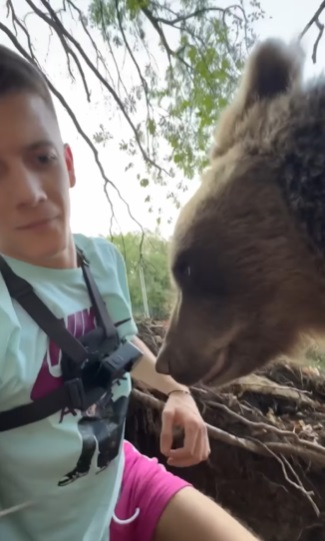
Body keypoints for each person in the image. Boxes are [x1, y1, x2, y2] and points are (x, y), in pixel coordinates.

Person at [0, 45, 261, 541]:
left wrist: (178, 392)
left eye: (40, 157)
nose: (29, 191)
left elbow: (120, 346)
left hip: (122, 479)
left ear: (69, 164)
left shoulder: (101, 261)